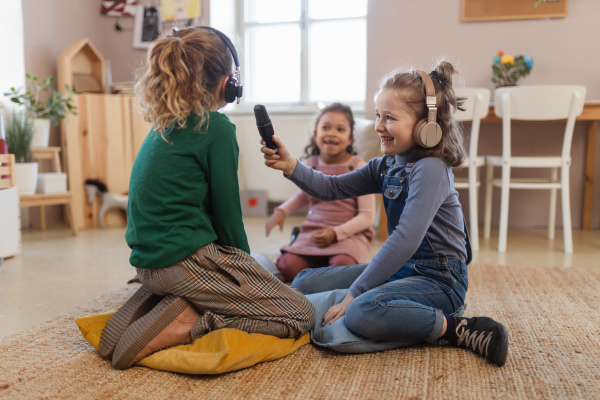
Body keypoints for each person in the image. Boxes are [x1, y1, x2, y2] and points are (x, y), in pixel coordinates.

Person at [261, 61, 509, 366]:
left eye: (389, 118)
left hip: (440, 280)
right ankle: (399, 310)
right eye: (378, 115)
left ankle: (456, 328)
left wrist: (356, 292)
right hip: (403, 270)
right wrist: (291, 166)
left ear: (425, 125)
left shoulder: (431, 168)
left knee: (362, 311)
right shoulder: (387, 165)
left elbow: (405, 240)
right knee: (303, 283)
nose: (378, 125)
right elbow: (330, 188)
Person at [99, 26, 315, 370]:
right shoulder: (216, 128)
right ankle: (191, 319)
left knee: (263, 285)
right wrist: (245, 273)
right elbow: (228, 216)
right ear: (229, 82)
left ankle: (162, 303)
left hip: (148, 263)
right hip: (182, 262)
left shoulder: (163, 124)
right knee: (300, 314)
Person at [265, 103, 376, 281]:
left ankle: (325, 270)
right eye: (325, 127)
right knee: (288, 266)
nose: (331, 133)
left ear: (350, 139)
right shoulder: (311, 164)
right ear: (315, 134)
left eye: (340, 129)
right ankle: (321, 271)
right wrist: (282, 210)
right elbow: (302, 196)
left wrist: (336, 233)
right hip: (315, 232)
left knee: (343, 265)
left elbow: (367, 217)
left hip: (348, 236)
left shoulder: (358, 167)